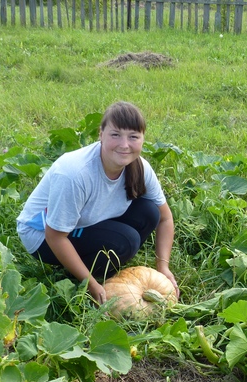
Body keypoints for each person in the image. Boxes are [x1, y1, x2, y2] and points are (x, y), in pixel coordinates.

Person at [17, 101, 178, 304]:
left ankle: (101, 260)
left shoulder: (140, 168)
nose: (124, 145)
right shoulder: (75, 174)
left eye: (133, 137)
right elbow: (55, 236)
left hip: (83, 221)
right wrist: (91, 285)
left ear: (143, 138)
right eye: (115, 134)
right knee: (125, 241)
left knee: (149, 212)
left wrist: (163, 267)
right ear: (100, 134)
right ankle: (88, 273)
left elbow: (164, 218)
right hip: (42, 235)